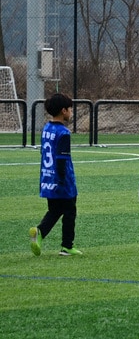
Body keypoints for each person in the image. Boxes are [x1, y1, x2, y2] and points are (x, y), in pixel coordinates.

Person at [29, 93, 81, 257]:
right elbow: (61, 159)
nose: (71, 112)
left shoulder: (46, 128)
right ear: (63, 111)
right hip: (62, 180)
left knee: (55, 210)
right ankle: (67, 246)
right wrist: (62, 179)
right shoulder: (63, 133)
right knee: (70, 211)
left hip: (47, 177)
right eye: (70, 109)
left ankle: (40, 232)